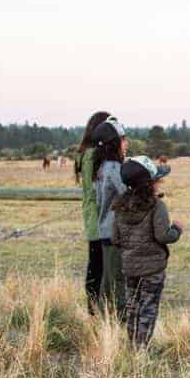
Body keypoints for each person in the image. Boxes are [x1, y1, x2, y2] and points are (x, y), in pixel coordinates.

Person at [111, 156, 183, 347]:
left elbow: (115, 239)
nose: (160, 184)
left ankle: (132, 346)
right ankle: (142, 350)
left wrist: (129, 251)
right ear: (149, 184)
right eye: (158, 180)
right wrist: (176, 229)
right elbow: (163, 236)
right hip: (153, 271)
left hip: (130, 269)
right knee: (148, 310)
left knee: (132, 307)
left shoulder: (120, 206)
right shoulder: (157, 206)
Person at [76, 111, 111, 313]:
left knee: (98, 263)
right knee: (97, 264)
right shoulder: (91, 156)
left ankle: (96, 308)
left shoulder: (89, 154)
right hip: (98, 217)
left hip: (96, 216)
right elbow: (95, 190)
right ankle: (94, 309)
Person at [92, 117, 128, 311]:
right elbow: (128, 193)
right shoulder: (115, 168)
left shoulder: (101, 167)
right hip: (115, 231)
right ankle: (120, 325)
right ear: (114, 143)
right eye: (123, 139)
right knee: (117, 282)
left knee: (107, 282)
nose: (127, 143)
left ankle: (102, 324)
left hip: (105, 230)